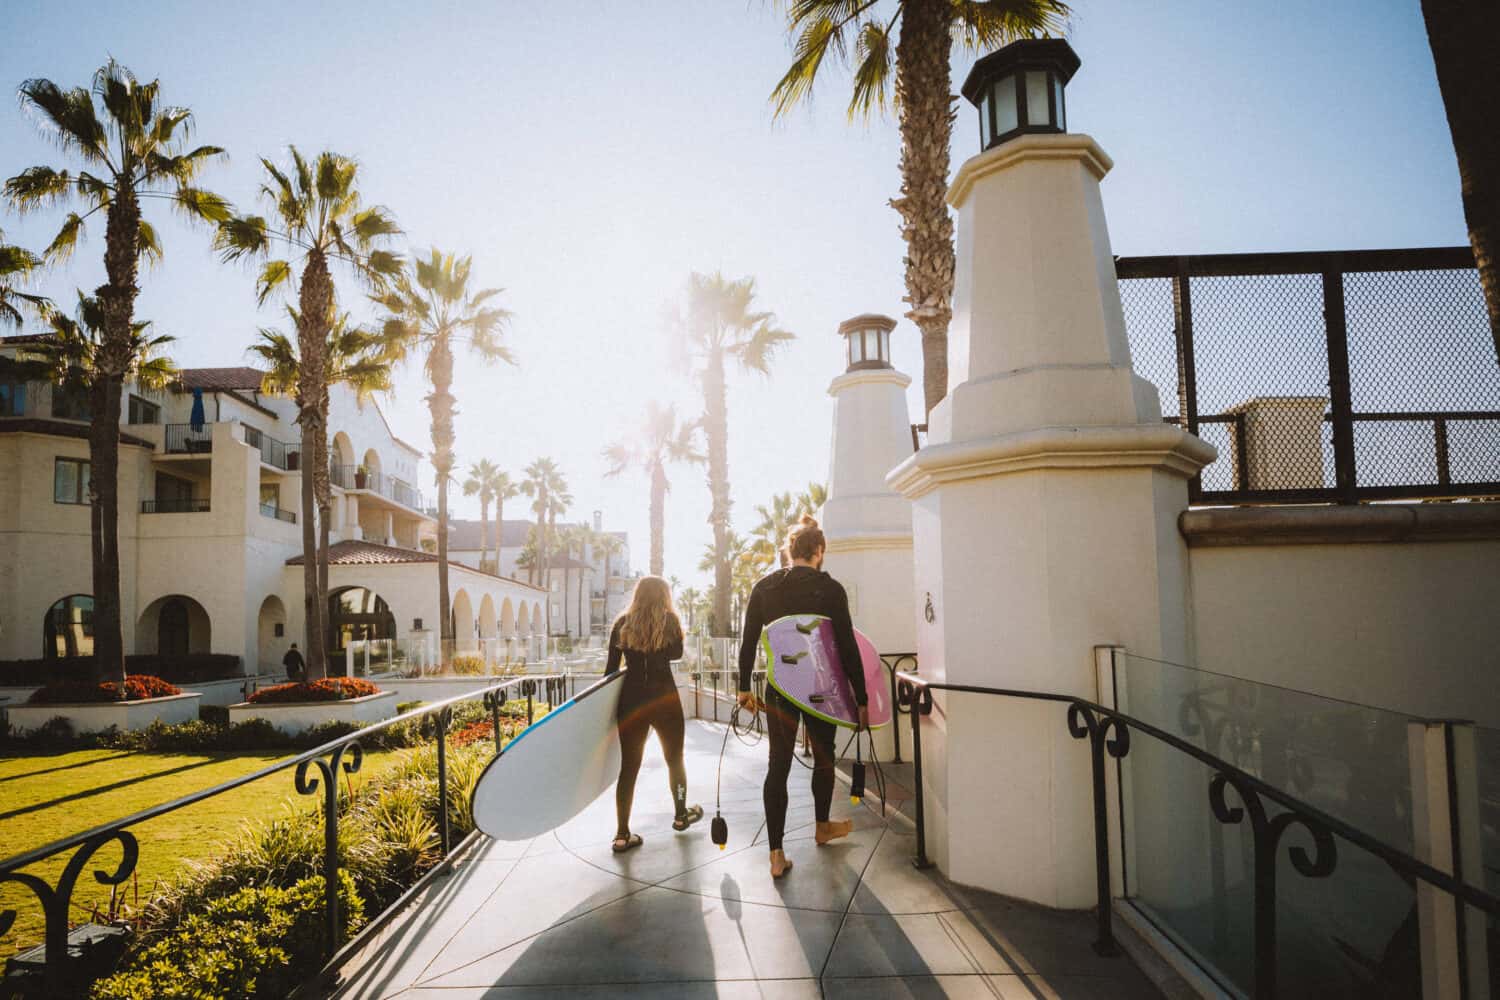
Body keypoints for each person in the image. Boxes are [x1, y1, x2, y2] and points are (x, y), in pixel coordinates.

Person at [737, 514, 868, 879]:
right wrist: (861, 697)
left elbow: (749, 642)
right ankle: (822, 825)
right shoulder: (830, 589)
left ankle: (776, 854)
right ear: (819, 551)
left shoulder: (764, 587)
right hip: (821, 686)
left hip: (779, 687)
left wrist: (743, 686)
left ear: (790, 550)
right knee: (824, 758)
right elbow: (846, 646)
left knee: (777, 766)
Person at [606, 575, 702, 852]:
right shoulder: (670, 621)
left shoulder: (621, 623)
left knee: (630, 767)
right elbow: (676, 654)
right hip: (664, 700)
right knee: (675, 760)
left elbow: (611, 670)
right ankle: (681, 815)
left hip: (632, 701)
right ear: (664, 595)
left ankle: (622, 834)